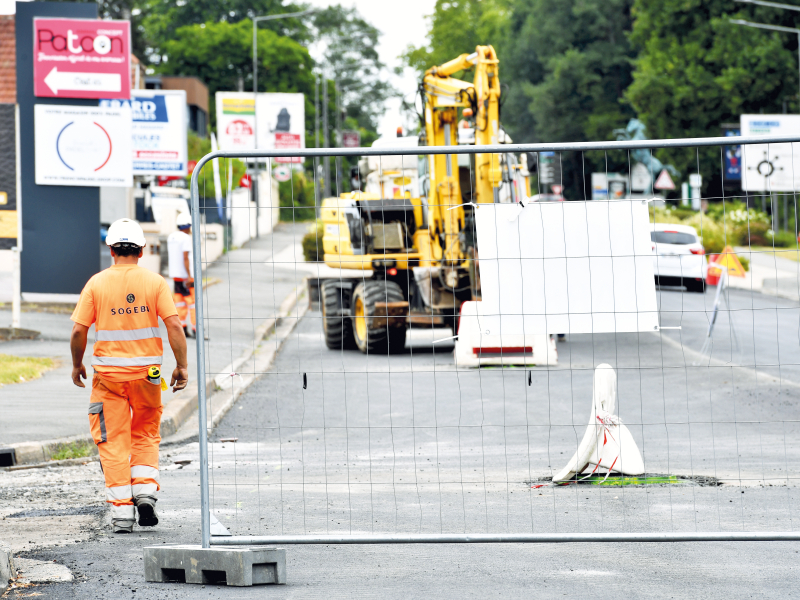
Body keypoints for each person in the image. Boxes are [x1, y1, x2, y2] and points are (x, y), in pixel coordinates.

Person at [70, 218, 189, 534]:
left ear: (110, 249)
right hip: (149, 375)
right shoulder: (155, 282)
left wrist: (77, 365)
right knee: (146, 432)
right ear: (142, 250)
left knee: (112, 442)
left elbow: (79, 331)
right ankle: (145, 492)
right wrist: (181, 366)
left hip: (108, 377)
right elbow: (174, 325)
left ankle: (123, 514)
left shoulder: (96, 283)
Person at [167, 212, 196, 338]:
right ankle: (196, 329)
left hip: (176, 276)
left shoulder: (171, 237)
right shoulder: (185, 238)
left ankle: (182, 328)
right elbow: (185, 258)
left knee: (179, 303)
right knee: (193, 304)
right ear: (188, 226)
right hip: (186, 277)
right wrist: (189, 276)